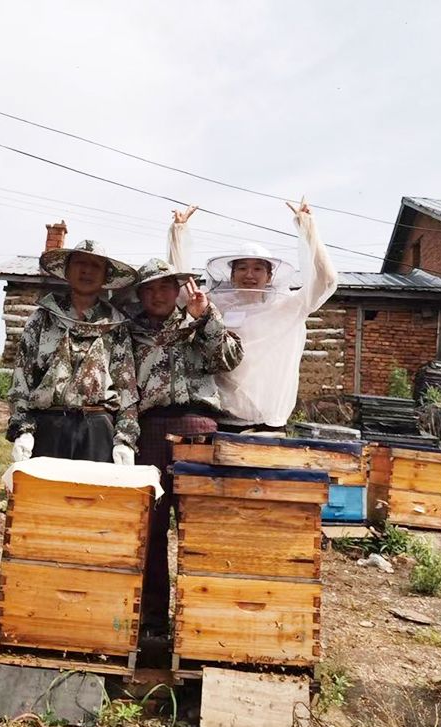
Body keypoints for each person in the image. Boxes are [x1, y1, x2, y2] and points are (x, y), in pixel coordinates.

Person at [128, 207, 244, 634]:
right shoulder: (129, 332)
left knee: (201, 528)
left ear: (178, 289)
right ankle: (154, 622)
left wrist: (206, 318)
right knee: (150, 530)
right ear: (140, 295)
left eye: (166, 287)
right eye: (150, 289)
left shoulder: (201, 322)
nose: (158, 295)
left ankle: (201, 622)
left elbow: (230, 359)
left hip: (200, 431)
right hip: (149, 433)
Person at [199, 199, 338, 430]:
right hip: (219, 420)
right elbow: (180, 294)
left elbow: (327, 281)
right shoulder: (217, 306)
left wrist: (308, 229)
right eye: (242, 268)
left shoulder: (287, 308)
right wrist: (177, 235)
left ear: (269, 275)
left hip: (267, 424)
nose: (249, 275)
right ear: (232, 275)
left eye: (258, 268)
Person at [7, 239, 140, 464]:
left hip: (97, 427)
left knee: (93, 497)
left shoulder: (115, 325)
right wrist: (23, 430)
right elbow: (22, 379)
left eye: (96, 266)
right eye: (80, 263)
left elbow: (126, 388)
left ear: (106, 276)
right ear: (67, 270)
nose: (87, 270)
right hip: (48, 425)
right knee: (43, 497)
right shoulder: (42, 318)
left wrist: (125, 439)